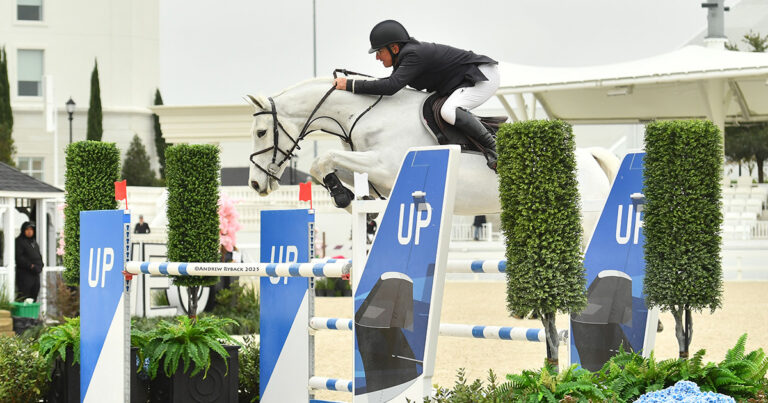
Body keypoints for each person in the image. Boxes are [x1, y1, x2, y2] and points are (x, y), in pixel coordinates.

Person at [334, 19, 500, 170]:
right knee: (440, 109)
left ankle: (495, 148)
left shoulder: (413, 54)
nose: (377, 57)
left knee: (448, 111)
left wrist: (350, 84)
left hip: (482, 77)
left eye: (379, 51)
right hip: (463, 80)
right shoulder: (405, 58)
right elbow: (390, 83)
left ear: (394, 48)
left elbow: (390, 87)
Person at [15, 221, 43, 302]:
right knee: (24, 296)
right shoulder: (19, 241)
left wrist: (41, 265)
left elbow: (38, 255)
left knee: (34, 294)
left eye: (31, 229)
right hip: (25, 275)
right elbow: (19, 258)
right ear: (23, 230)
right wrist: (31, 266)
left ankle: (31, 310)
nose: (29, 231)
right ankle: (22, 310)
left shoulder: (33, 242)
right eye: (27, 229)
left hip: (35, 274)